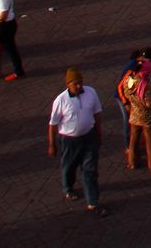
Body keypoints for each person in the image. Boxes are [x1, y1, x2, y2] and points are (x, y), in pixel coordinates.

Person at [47, 67, 107, 217]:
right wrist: (52, 144)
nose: (79, 86)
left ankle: (92, 202)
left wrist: (99, 134)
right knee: (69, 166)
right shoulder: (61, 100)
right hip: (69, 141)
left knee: (90, 170)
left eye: (81, 83)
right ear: (68, 84)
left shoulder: (91, 92)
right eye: (76, 84)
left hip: (89, 137)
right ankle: (68, 187)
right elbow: (53, 124)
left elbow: (97, 114)